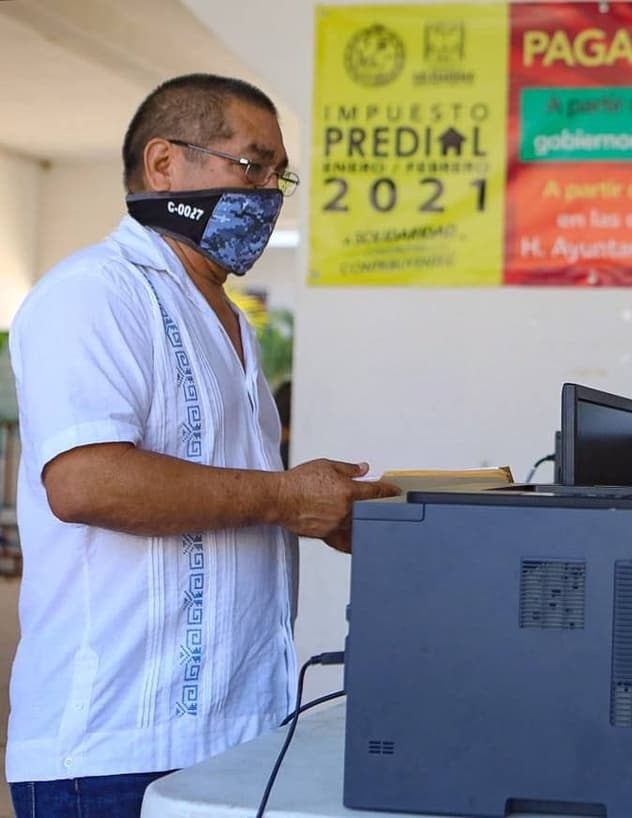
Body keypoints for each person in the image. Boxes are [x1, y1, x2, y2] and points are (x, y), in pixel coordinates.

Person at [4, 74, 395, 817]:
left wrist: (327, 513)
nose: (270, 192)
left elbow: (225, 492)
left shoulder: (232, 323)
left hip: (232, 734)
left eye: (280, 174)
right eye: (252, 165)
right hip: (114, 748)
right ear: (163, 167)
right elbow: (86, 483)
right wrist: (285, 498)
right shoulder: (94, 292)